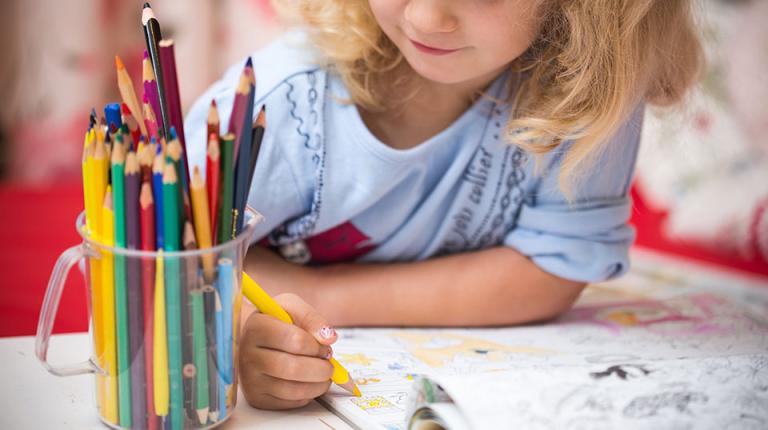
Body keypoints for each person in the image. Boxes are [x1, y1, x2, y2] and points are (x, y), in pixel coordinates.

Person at [184, 0, 703, 410]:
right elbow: (177, 266)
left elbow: (553, 270)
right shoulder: (281, 107)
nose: (426, 16)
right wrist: (243, 332)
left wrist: (321, 292)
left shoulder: (589, 91)